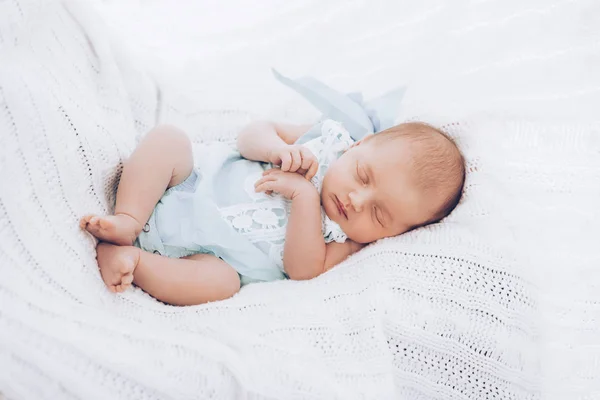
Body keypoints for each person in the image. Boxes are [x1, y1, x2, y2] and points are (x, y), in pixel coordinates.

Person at [80, 119, 465, 305]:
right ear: (358, 145)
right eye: (363, 175)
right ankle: (129, 220)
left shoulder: (349, 242)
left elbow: (303, 269)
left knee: (221, 285)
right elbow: (250, 133)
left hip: (213, 258)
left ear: (395, 234)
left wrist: (305, 201)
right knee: (169, 140)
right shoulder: (324, 140)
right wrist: (272, 148)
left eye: (380, 215)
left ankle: (135, 260)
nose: (357, 201)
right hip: (191, 183)